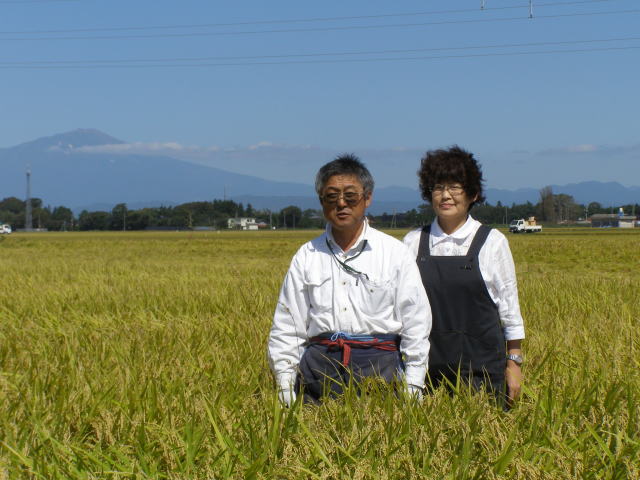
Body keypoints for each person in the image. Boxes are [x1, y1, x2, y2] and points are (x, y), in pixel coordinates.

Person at [268, 154, 431, 406]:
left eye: (350, 196)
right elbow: (288, 325)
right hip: (320, 367)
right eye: (331, 197)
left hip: (380, 367)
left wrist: (413, 382)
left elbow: (416, 321)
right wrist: (285, 385)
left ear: (367, 198)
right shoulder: (306, 256)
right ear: (321, 201)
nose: (341, 204)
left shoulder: (394, 252)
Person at [403, 146, 525, 407]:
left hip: (482, 373)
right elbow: (402, 307)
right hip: (427, 373)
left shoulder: (492, 242)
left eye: (455, 187)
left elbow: (509, 308)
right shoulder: (413, 242)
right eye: (438, 187)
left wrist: (514, 361)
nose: (445, 195)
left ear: (473, 194)